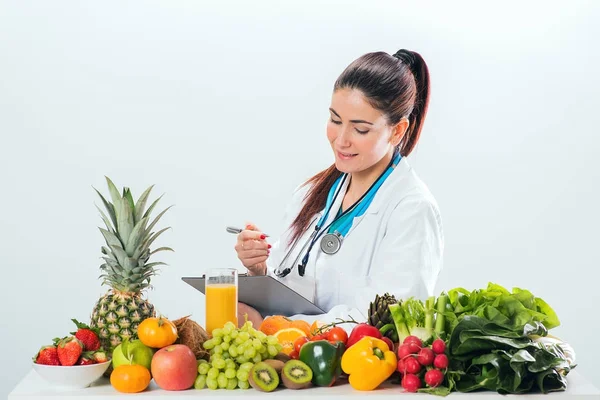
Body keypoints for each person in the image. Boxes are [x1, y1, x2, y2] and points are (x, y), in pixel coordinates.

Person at [235, 49, 444, 330]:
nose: (341, 140)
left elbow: (389, 318)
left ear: (397, 131)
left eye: (360, 130)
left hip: (354, 369)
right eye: (335, 120)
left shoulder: (412, 209)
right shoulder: (312, 192)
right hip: (293, 362)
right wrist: (259, 270)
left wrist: (284, 328)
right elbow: (294, 283)